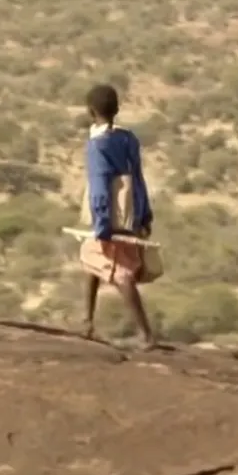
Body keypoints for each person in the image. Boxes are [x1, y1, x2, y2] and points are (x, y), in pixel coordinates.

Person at [79, 83, 158, 348]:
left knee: (120, 272)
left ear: (90, 111)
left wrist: (101, 225)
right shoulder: (127, 138)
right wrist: (145, 214)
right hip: (130, 211)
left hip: (110, 216)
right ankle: (87, 322)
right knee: (91, 259)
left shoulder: (97, 145)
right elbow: (138, 178)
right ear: (117, 109)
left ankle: (147, 335)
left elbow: (100, 187)